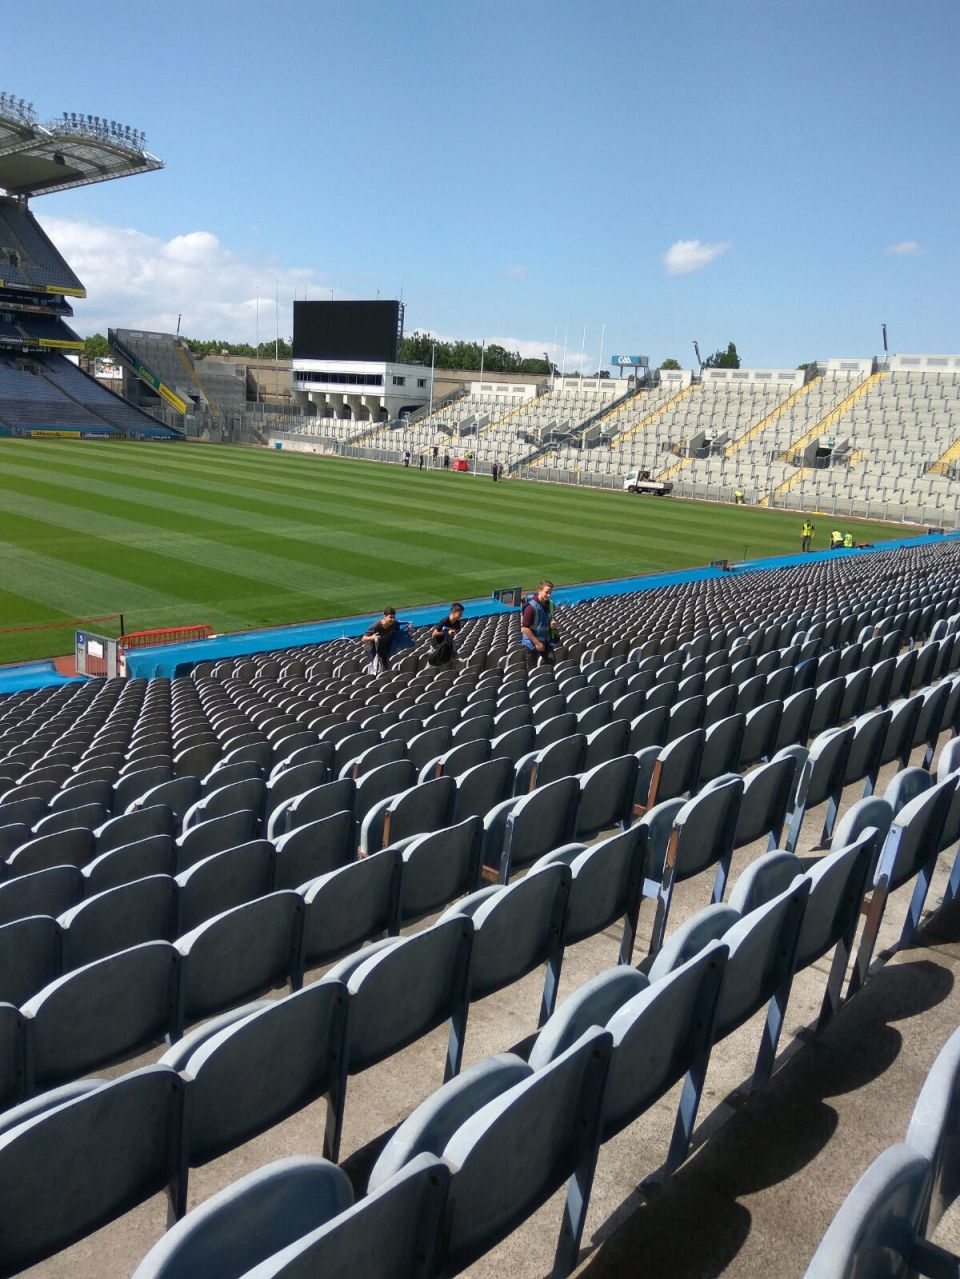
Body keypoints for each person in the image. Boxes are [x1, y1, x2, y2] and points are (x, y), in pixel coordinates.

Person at [361, 607, 413, 675]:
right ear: (384, 616)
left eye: (394, 617)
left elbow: (399, 631)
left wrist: (409, 628)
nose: (392, 619)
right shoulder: (376, 626)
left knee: (385, 667)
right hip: (372, 648)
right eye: (390, 617)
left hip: (383, 648)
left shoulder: (394, 624)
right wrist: (372, 637)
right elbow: (363, 639)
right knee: (377, 666)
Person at [521, 580, 558, 670]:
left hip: (545, 640)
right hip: (532, 643)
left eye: (550, 593)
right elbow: (525, 628)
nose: (548, 595)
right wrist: (537, 643)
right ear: (539, 591)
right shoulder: (530, 607)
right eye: (546, 592)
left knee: (551, 661)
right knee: (532, 669)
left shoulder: (551, 605)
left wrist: (552, 625)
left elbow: (549, 619)